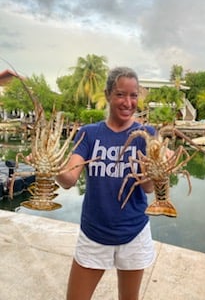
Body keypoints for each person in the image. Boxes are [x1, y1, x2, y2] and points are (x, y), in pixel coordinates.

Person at [56, 67, 156, 300]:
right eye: (121, 94)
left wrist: (160, 168)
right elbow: (69, 179)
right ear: (108, 94)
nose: (128, 102)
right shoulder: (89, 134)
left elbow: (149, 187)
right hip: (94, 233)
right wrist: (51, 167)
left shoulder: (146, 134)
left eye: (133, 95)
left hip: (134, 232)